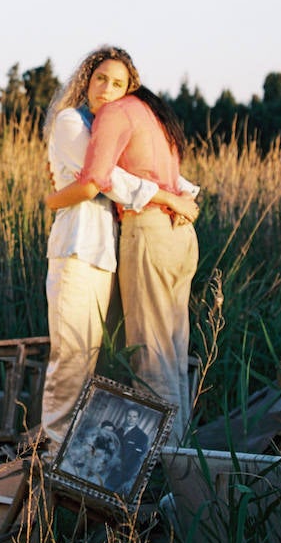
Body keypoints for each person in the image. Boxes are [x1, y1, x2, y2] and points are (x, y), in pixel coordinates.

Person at [37, 46, 198, 451]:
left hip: (101, 255)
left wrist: (177, 194)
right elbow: (104, 180)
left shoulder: (112, 123)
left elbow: (125, 172)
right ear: (86, 81)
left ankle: (161, 457)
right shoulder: (73, 122)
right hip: (77, 250)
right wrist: (172, 198)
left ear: (130, 89)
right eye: (100, 80)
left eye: (118, 83)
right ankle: (54, 454)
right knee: (72, 358)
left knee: (94, 358)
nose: (107, 89)